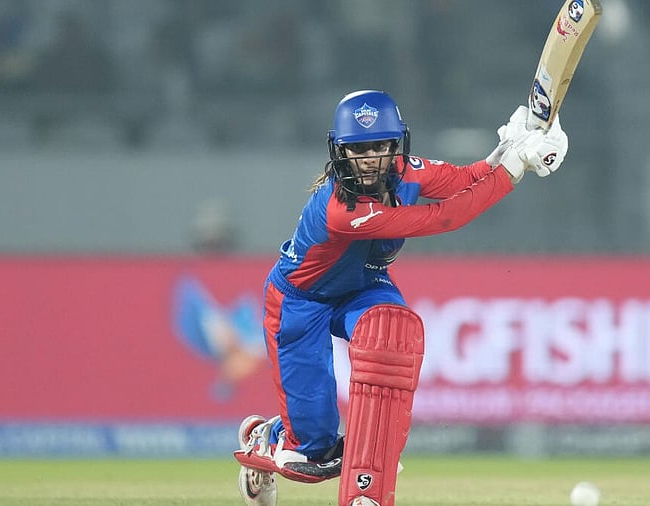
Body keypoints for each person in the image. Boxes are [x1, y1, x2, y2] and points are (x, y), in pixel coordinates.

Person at [233, 89, 568, 506]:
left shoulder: (405, 170)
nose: (370, 158)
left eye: (379, 146)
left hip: (365, 286)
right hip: (302, 302)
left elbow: (464, 180)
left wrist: (506, 149)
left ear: (395, 146)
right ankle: (265, 439)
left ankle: (367, 484)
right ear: (340, 152)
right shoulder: (343, 209)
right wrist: (515, 170)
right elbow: (444, 216)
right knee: (312, 451)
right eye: (359, 149)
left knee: (390, 334)